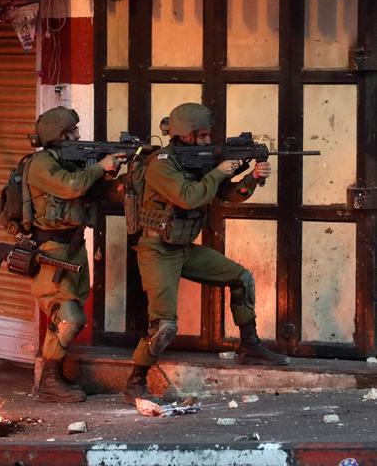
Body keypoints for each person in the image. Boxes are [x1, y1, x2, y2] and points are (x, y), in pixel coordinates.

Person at [122, 102, 289, 405]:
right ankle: (135, 380)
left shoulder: (198, 161)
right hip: (157, 250)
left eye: (208, 136)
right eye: (201, 136)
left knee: (242, 278)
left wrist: (252, 177)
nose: (207, 142)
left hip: (183, 247)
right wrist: (218, 172)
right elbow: (189, 197)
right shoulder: (161, 163)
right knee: (164, 326)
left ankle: (250, 346)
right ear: (185, 136)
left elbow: (226, 194)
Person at [28, 106, 126, 403]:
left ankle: (52, 379)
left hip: (73, 250)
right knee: (70, 318)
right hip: (50, 251)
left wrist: (109, 173)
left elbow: (94, 192)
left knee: (63, 316)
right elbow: (71, 188)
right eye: (72, 133)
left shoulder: (69, 162)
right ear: (59, 136)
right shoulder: (41, 164)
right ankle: (49, 382)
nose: (78, 137)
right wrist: (99, 166)